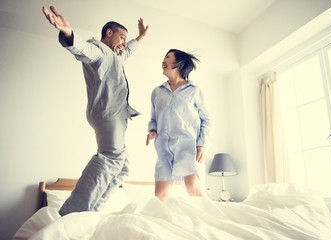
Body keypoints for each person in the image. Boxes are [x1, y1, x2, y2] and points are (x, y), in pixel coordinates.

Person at [42, 6, 149, 216]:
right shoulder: (99, 50)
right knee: (110, 158)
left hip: (113, 115)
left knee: (123, 166)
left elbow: (129, 50)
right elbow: (83, 49)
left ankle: (92, 211)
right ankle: (72, 214)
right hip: (107, 113)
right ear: (109, 33)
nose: (124, 43)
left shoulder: (116, 57)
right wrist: (68, 34)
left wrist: (141, 37)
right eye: (122, 37)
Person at [146, 49, 211, 202]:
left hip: (187, 147)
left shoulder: (194, 90)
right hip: (163, 150)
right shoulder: (157, 92)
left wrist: (202, 144)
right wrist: (152, 130)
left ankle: (209, 218)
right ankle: (159, 223)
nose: (163, 60)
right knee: (159, 197)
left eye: (167, 57)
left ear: (179, 63)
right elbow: (153, 118)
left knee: (193, 187)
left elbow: (207, 120)